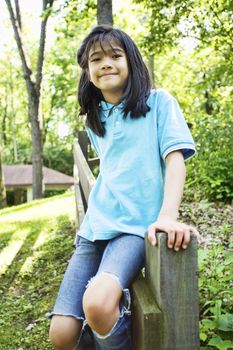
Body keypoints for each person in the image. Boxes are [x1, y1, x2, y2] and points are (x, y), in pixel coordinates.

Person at [49, 25, 198, 350]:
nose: (106, 63)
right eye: (96, 59)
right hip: (93, 229)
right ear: (87, 73)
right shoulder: (94, 119)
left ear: (131, 60)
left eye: (115, 55)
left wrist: (168, 215)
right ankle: (106, 331)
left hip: (132, 229)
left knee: (99, 303)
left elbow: (175, 160)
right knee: (61, 335)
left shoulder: (159, 103)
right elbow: (113, 168)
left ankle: (112, 324)